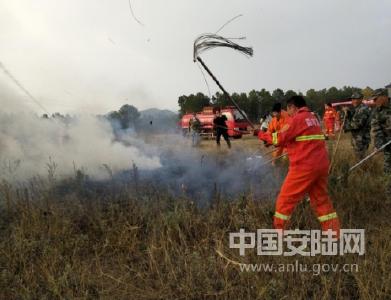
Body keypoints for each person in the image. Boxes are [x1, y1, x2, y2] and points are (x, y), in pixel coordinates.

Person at [258, 96, 340, 236]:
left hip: (304, 167)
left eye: (288, 109)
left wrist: (260, 134)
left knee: (285, 199)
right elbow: (295, 139)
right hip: (320, 166)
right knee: (321, 200)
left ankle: (279, 233)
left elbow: (279, 138)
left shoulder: (296, 119)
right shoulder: (313, 118)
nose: (287, 113)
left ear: (293, 107)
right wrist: (273, 141)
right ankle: (334, 234)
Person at [370, 88, 391, 201]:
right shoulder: (377, 113)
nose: (374, 101)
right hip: (389, 147)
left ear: (383, 96)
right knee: (388, 171)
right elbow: (377, 131)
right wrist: (378, 145)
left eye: (376, 99)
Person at [343, 92, 371, 160]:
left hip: (361, 138)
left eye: (355, 99)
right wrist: (348, 113)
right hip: (357, 138)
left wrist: (346, 127)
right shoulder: (357, 108)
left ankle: (362, 170)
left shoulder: (363, 109)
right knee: (358, 157)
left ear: (361, 99)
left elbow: (357, 124)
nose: (353, 101)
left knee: (360, 158)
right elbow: (352, 118)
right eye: (352, 99)